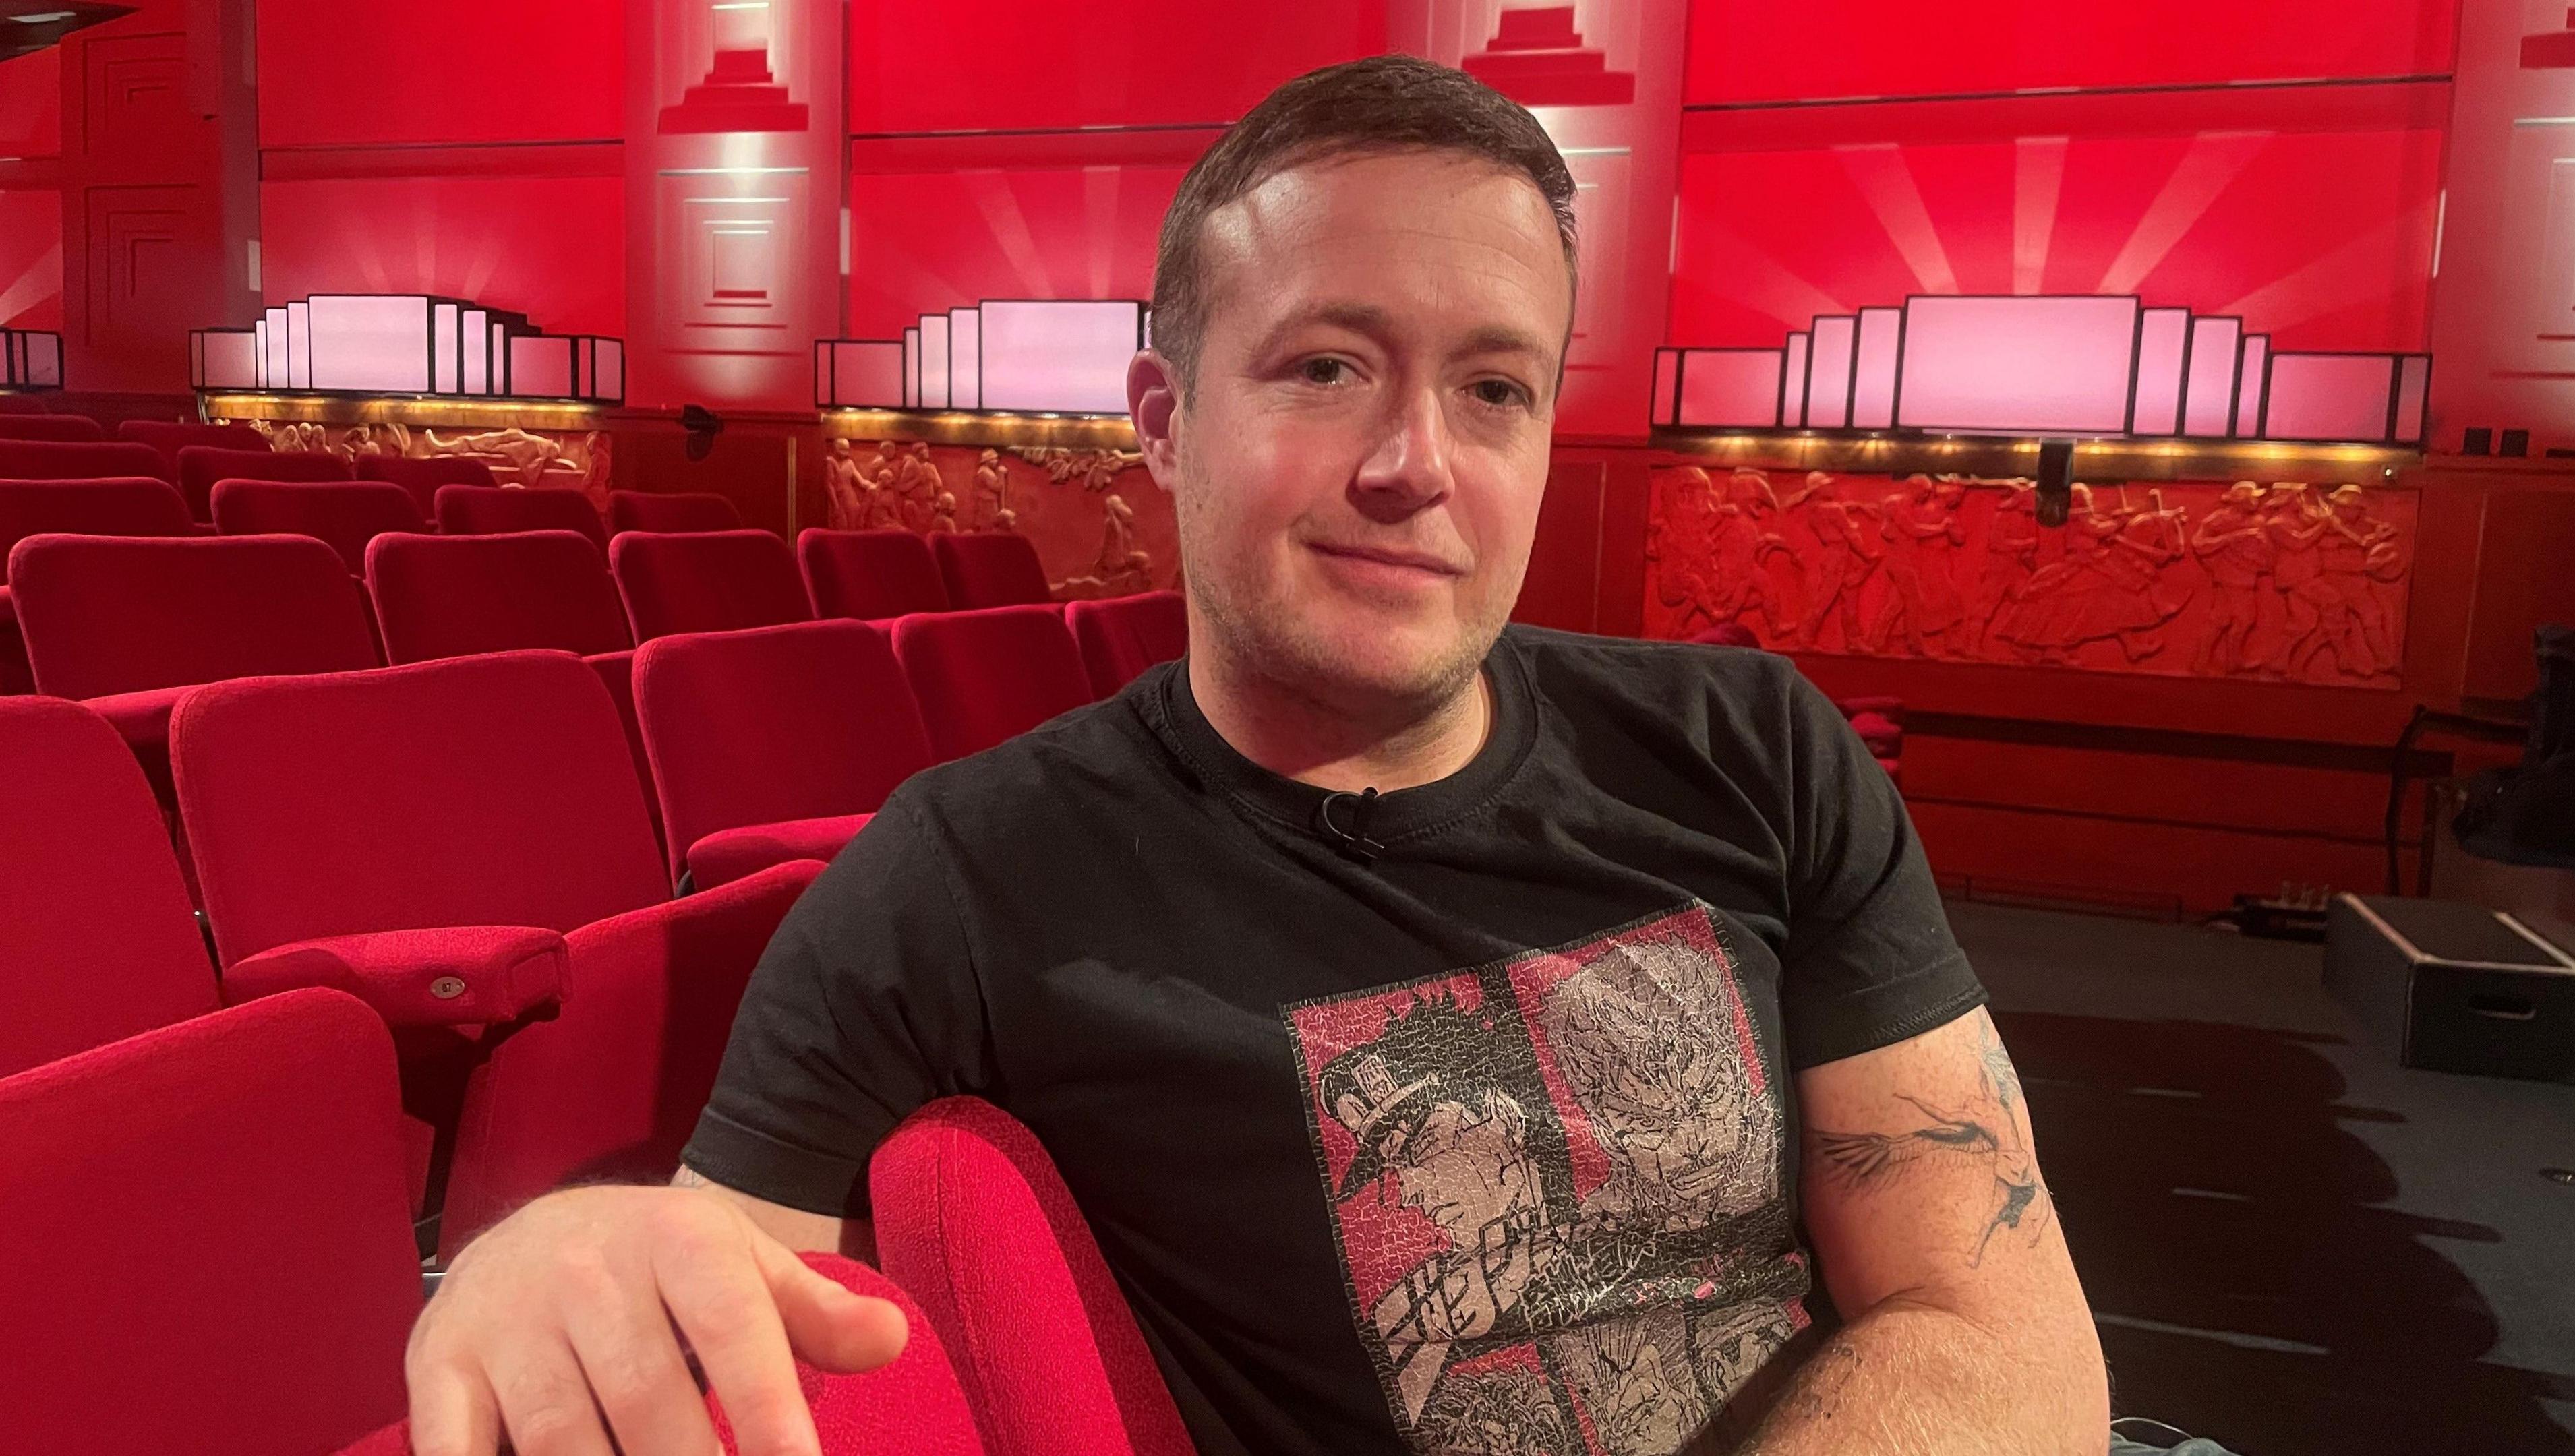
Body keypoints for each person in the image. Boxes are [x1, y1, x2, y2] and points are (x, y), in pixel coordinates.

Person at [404, 55, 2107, 1456]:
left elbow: (1990, 1317)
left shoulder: (1756, 752)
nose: (1414, 462)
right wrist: (542, 1261)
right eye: (1327, 365)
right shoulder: (972, 875)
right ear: (1164, 421)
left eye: (1496, 387)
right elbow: (710, 1268)